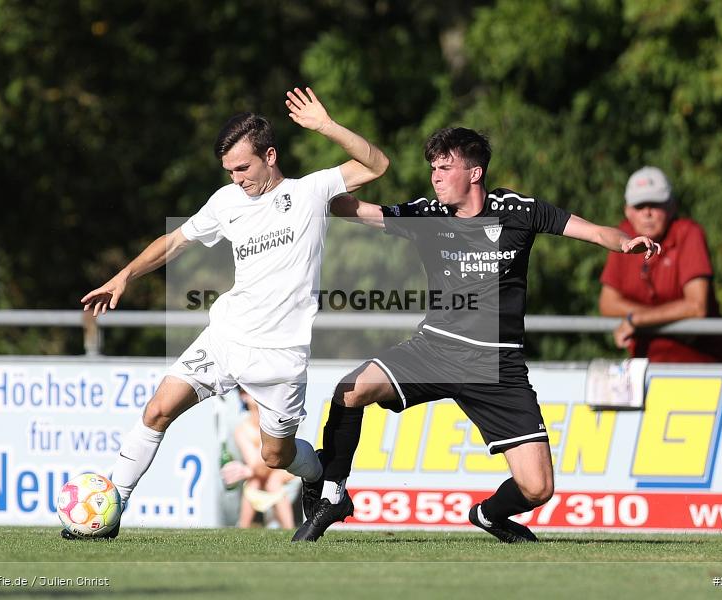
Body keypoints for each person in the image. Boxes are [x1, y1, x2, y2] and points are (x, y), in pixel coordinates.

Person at [291, 127, 659, 543]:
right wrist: (315, 176)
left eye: (445, 167)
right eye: (433, 167)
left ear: (475, 172)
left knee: (538, 488)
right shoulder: (427, 216)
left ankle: (488, 515)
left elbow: (593, 231)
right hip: (434, 349)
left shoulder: (519, 210)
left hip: (497, 365)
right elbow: (354, 209)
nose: (435, 176)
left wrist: (626, 242)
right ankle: (333, 494)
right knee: (349, 390)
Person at [67, 87, 389, 539]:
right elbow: (176, 241)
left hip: (280, 355)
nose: (236, 178)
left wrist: (326, 126)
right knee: (159, 409)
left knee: (274, 457)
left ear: (270, 156)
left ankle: (319, 479)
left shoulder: (312, 191)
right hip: (226, 338)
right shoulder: (226, 202)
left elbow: (377, 166)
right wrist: (124, 276)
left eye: (243, 167)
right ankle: (112, 507)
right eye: (229, 170)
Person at [599, 166, 722, 363]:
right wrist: (661, 316)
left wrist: (637, 320)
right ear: (628, 211)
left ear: (671, 207)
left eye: (655, 204)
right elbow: (607, 303)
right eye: (640, 206)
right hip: (647, 365)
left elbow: (696, 306)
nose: (647, 213)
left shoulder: (689, 234)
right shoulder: (623, 238)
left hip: (704, 366)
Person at [221, 388, 298, 528]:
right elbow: (257, 465)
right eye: (248, 390)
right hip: (263, 473)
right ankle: (243, 529)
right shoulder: (242, 429)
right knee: (255, 481)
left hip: (286, 469)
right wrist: (252, 470)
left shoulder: (276, 419)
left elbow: (279, 460)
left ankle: (289, 529)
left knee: (272, 480)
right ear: (243, 396)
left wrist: (248, 471)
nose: (257, 393)